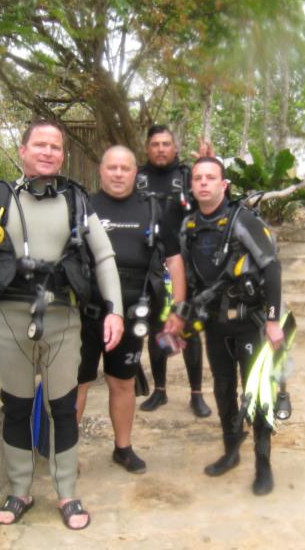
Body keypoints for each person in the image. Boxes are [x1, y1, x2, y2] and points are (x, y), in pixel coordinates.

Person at [0, 120, 124, 531]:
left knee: (63, 407)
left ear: (62, 155)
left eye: (56, 147)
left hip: (63, 318)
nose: (48, 152)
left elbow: (104, 257)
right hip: (8, 319)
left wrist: (114, 309)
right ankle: (20, 489)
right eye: (40, 145)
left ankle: (68, 492)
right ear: (23, 150)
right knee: (17, 407)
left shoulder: (77, 200)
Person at [75, 145, 188, 474]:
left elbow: (175, 261)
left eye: (125, 168)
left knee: (122, 382)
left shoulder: (153, 209)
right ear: (101, 170)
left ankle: (123, 448)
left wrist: (177, 310)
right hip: (86, 313)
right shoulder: (83, 207)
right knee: (77, 383)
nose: (119, 173)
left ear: (135, 172)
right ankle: (67, 454)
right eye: (112, 167)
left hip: (131, 312)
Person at [180, 157, 284, 495]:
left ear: (224, 185)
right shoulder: (189, 227)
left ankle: (263, 462)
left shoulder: (243, 221)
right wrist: (184, 315)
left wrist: (273, 319)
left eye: (211, 177)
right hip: (215, 323)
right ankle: (230, 451)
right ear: (192, 186)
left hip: (249, 322)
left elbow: (271, 268)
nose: (204, 183)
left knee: (258, 391)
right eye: (198, 178)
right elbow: (190, 279)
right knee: (223, 389)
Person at [135, 125, 212, 418]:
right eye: (155, 144)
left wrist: (210, 162)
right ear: (147, 148)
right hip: (150, 263)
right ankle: (160, 391)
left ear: (175, 147)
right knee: (156, 325)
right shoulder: (137, 178)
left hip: (186, 261)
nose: (161, 149)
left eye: (166, 143)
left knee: (189, 327)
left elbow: (213, 198)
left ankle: (196, 394)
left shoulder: (188, 176)